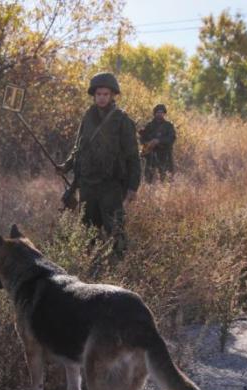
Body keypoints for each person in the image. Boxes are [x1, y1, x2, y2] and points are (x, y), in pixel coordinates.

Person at [57, 72, 141, 255]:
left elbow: (133, 156)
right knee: (88, 230)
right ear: (94, 95)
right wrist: (66, 165)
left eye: (106, 94)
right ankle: (92, 265)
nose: (102, 98)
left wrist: (133, 187)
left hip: (111, 185)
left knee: (115, 229)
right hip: (87, 183)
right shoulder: (87, 118)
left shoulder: (122, 120)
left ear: (112, 96)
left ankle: (119, 266)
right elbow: (78, 148)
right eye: (99, 94)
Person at [139, 104, 176, 183]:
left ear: (164, 113)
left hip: (164, 155)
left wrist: (158, 141)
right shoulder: (149, 125)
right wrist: (148, 143)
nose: (159, 114)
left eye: (161, 112)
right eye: (158, 112)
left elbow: (172, 138)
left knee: (165, 179)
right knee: (148, 178)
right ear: (155, 113)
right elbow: (142, 138)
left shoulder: (168, 126)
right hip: (151, 155)